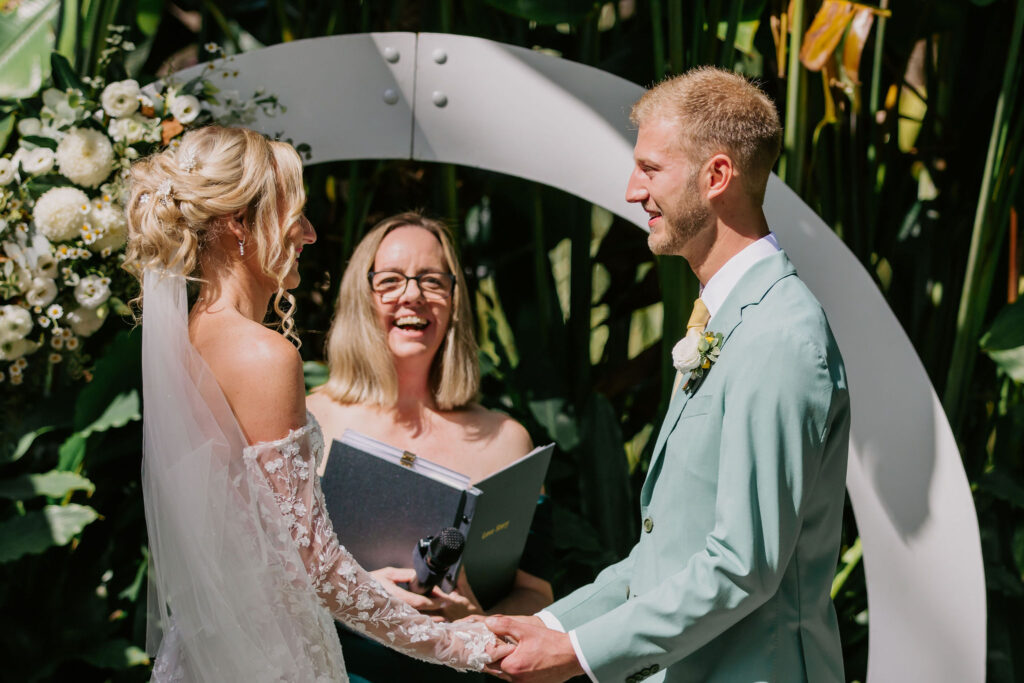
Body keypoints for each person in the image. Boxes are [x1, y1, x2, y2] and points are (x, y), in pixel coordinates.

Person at [485, 67, 851, 683]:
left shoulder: (780, 337)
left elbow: (741, 567)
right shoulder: (724, 321)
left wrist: (577, 654)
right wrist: (550, 627)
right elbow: (665, 559)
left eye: (651, 169)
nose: (632, 190)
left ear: (716, 176)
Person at [123, 127, 510, 682]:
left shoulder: (186, 344)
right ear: (238, 224)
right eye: (294, 215)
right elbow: (319, 568)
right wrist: (460, 645)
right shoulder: (263, 355)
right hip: (273, 658)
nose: (308, 233)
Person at [307, 211, 554, 681]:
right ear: (362, 294)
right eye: (392, 280)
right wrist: (353, 592)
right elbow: (261, 575)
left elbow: (537, 593)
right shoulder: (313, 418)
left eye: (432, 280)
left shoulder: (506, 438)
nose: (413, 295)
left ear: (455, 300)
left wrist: (482, 620)